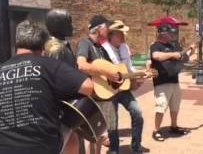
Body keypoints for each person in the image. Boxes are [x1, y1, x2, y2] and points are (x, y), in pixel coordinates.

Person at [0, 20, 93, 154]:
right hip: (41, 148)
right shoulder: (48, 65)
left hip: (4, 149)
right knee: (69, 122)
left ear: (17, 42)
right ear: (43, 45)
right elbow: (88, 87)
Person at [75, 15, 120, 154]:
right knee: (91, 136)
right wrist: (105, 72)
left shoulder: (101, 48)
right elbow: (81, 65)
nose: (108, 30)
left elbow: (112, 70)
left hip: (104, 96)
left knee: (101, 134)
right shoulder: (84, 43)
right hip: (91, 98)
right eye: (106, 27)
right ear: (98, 28)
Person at [43, 9, 84, 154]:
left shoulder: (62, 46)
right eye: (69, 22)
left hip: (69, 106)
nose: (72, 26)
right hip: (63, 110)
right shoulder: (55, 50)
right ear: (57, 25)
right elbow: (55, 81)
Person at [102, 20, 144, 154]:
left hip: (124, 89)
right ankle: (114, 150)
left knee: (137, 113)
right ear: (111, 35)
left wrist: (137, 76)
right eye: (120, 33)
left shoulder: (124, 47)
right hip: (107, 90)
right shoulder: (103, 49)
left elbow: (129, 67)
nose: (123, 36)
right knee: (112, 121)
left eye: (123, 33)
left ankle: (136, 147)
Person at [150, 23, 195, 142]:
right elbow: (156, 56)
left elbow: (183, 57)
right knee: (161, 107)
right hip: (161, 82)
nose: (171, 34)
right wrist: (172, 54)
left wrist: (191, 50)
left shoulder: (173, 45)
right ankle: (156, 130)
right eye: (169, 32)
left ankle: (173, 126)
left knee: (175, 106)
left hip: (174, 81)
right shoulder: (155, 45)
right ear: (162, 33)